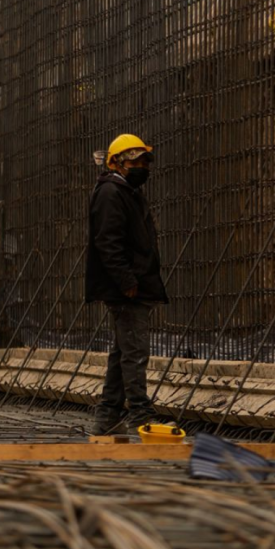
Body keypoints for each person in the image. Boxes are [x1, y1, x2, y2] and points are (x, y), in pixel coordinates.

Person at [85, 134, 168, 435]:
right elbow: (107, 241)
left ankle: (107, 415)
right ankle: (141, 416)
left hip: (133, 285)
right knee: (135, 351)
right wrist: (126, 281)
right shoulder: (111, 193)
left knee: (123, 352)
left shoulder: (126, 191)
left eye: (145, 161)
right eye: (137, 161)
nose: (143, 167)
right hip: (127, 289)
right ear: (118, 162)